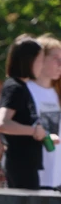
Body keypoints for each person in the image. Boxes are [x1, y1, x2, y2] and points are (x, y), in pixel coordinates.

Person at [0, 34, 55, 189]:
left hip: (28, 163)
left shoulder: (23, 87)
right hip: (20, 164)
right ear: (28, 61)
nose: (41, 66)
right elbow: (2, 124)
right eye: (40, 61)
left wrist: (44, 136)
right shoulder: (14, 87)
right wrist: (33, 131)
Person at [31, 35, 61, 188]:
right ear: (40, 59)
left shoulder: (57, 92)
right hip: (32, 174)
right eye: (55, 58)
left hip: (56, 176)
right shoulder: (24, 89)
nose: (60, 63)